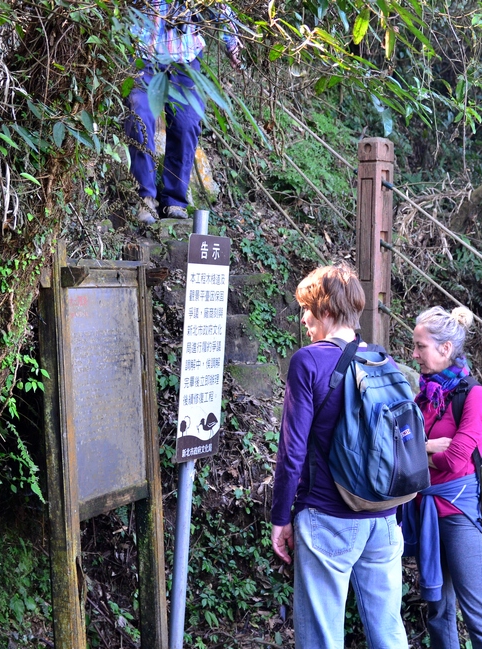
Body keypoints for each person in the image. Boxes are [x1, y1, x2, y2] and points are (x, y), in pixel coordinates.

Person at [270, 264, 409, 649]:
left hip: (327, 519)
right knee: (389, 633)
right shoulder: (384, 361)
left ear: (326, 311)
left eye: (307, 309)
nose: (303, 319)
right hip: (384, 522)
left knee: (321, 638)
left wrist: (281, 517)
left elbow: (292, 450)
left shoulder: (308, 361)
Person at [404, 306, 482, 649]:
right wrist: (425, 447)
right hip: (426, 511)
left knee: (477, 614)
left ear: (445, 349)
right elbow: (400, 450)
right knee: (438, 611)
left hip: (457, 512)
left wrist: (418, 451)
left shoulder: (474, 396)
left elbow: (455, 460)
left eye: (420, 346)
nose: (413, 354)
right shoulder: (423, 396)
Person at [126, 1, 243, 224]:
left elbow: (217, 5)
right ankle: (145, 197)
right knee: (140, 116)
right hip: (142, 52)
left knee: (186, 123)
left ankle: (175, 200)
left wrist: (231, 42)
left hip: (185, 57)